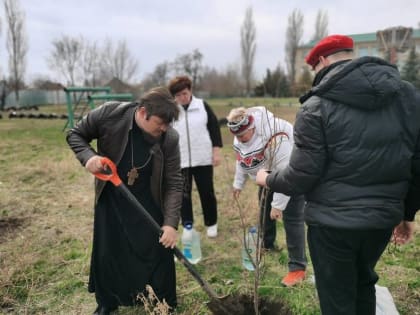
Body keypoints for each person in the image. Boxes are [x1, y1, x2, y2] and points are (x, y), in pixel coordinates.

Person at [255, 34, 420, 315]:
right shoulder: (407, 96)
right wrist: (407, 214)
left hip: (332, 225)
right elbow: (416, 162)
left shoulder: (316, 106)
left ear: (320, 61)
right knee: (364, 282)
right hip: (381, 220)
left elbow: (302, 176)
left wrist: (267, 179)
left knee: (336, 297)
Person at [66, 87, 183, 315]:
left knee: (157, 251)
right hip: (112, 197)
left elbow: (174, 182)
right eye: (160, 122)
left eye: (168, 123)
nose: (164, 128)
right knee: (109, 252)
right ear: (142, 112)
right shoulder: (110, 114)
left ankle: (161, 303)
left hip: (149, 199)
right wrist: (89, 158)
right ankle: (108, 302)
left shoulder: (169, 137)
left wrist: (170, 223)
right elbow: (75, 134)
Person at [227, 106, 307, 287]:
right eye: (237, 136)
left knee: (292, 219)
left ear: (252, 128)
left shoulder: (275, 134)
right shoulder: (239, 133)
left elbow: (285, 172)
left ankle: (297, 268)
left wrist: (278, 204)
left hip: (292, 174)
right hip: (266, 175)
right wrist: (238, 184)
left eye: (242, 136)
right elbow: (242, 159)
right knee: (264, 212)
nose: (239, 139)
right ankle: (268, 245)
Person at [168, 76, 223, 238]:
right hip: (181, 160)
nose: (182, 98)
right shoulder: (171, 111)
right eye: (177, 95)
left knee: (207, 192)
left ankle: (211, 223)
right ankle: (187, 225)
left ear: (190, 91)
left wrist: (216, 151)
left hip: (203, 159)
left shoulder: (202, 106)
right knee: (183, 195)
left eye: (184, 93)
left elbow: (214, 129)